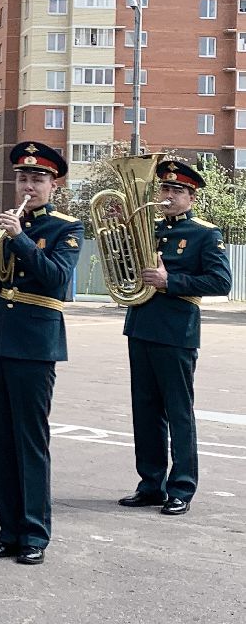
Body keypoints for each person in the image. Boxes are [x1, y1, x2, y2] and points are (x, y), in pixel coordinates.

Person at [0, 141, 82, 567]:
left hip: (37, 344)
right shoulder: (5, 226)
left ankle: (35, 533)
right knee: (0, 442)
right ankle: (9, 531)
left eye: (38, 179)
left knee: (30, 442)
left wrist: (19, 239)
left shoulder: (66, 228)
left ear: (53, 184)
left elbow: (55, 278)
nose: (29, 185)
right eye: (23, 178)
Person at [117, 159, 231, 516]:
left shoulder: (204, 234)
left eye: (176, 191)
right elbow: (128, 266)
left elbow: (221, 282)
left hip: (176, 331)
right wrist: (121, 236)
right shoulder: (149, 228)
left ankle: (180, 487)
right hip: (141, 326)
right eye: (164, 189)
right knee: (145, 411)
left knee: (178, 412)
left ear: (191, 197)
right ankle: (150, 484)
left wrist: (172, 282)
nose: (168, 196)